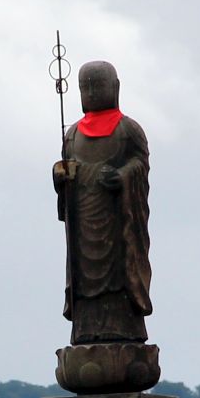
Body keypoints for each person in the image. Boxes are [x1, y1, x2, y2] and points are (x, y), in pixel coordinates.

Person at [52, 60, 151, 345]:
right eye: (87, 87)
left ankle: (124, 327)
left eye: (99, 86)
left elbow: (140, 164)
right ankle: (85, 327)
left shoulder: (128, 130)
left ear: (115, 88)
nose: (93, 92)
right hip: (84, 221)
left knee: (120, 269)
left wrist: (122, 176)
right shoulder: (72, 135)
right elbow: (66, 172)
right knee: (83, 274)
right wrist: (60, 175)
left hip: (117, 219)